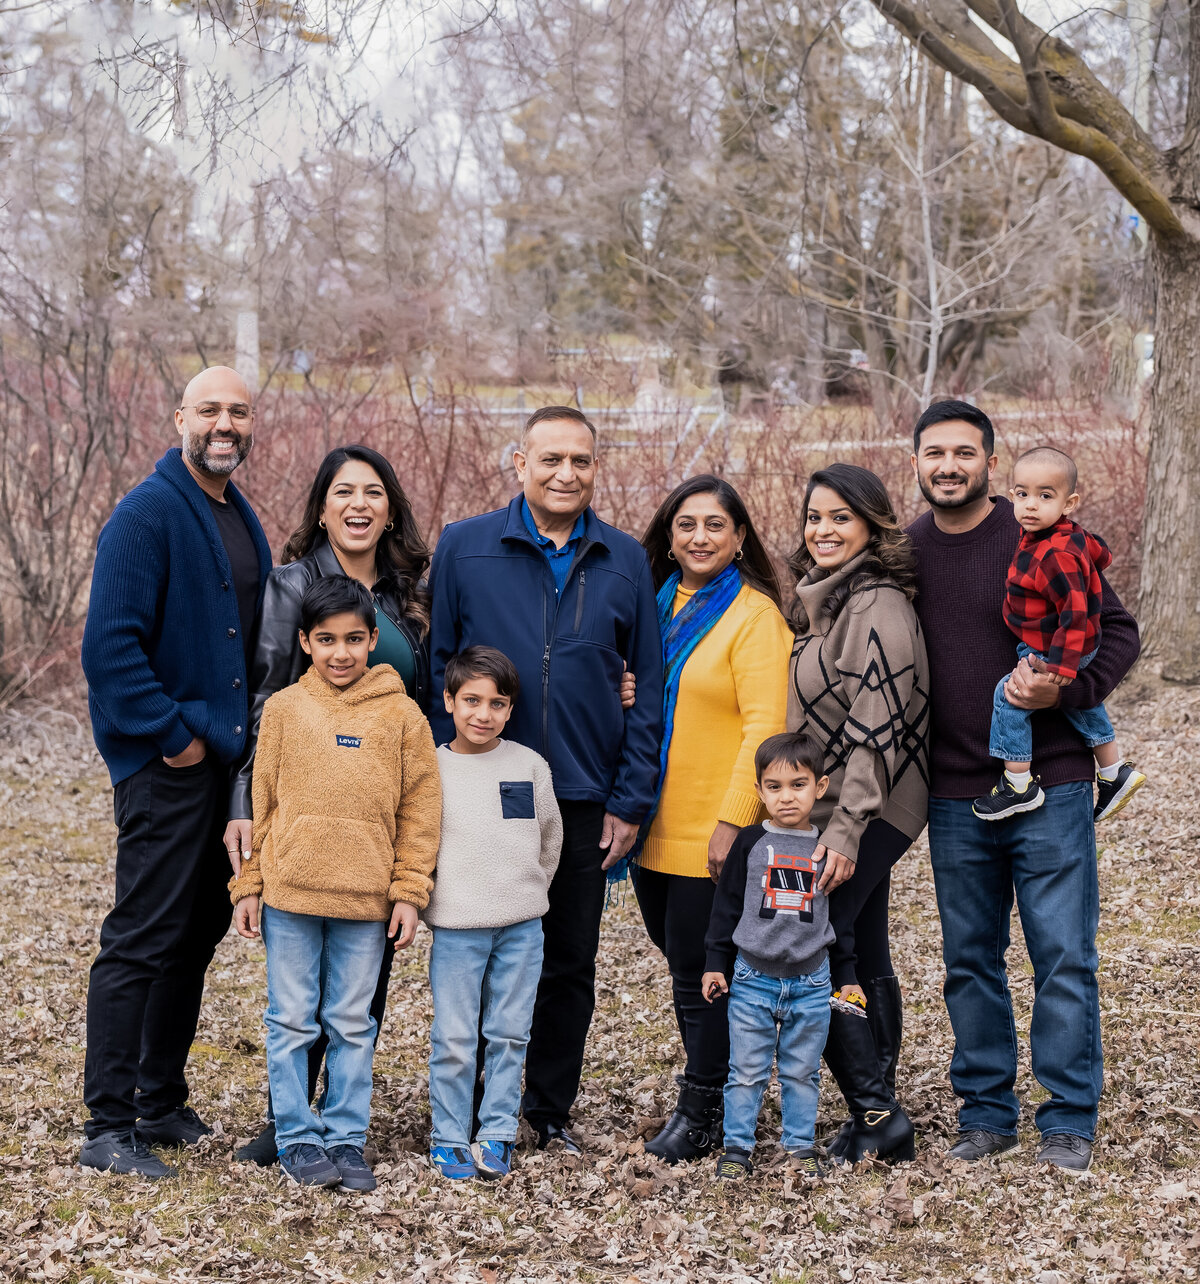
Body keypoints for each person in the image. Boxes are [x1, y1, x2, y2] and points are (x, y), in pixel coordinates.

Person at [907, 399, 1139, 1172]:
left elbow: (1119, 631)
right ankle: (986, 1112)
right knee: (970, 960)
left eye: (964, 453)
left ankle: (1069, 1116)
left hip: (1053, 782)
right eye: (934, 452)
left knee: (1063, 956)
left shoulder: (1037, 534)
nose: (949, 465)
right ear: (917, 462)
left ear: (989, 463)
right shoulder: (906, 552)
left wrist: (1068, 693)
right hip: (953, 793)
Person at [429, 404, 664, 1152]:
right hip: (484, 797)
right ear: (520, 463)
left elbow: (648, 689)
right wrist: (448, 773)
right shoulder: (466, 548)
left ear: (597, 468)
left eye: (582, 462)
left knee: (568, 959)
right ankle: (468, 1106)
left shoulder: (625, 559)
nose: (566, 474)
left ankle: (546, 1109)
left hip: (585, 793)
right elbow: (440, 670)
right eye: (551, 459)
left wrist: (630, 798)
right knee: (476, 949)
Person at [79, 365, 271, 1178]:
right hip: (168, 769)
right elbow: (110, 650)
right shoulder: (147, 514)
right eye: (209, 410)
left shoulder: (238, 513)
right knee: (141, 938)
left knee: (195, 933)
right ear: (179, 418)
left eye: (238, 411)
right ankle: (108, 1125)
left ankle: (159, 1100)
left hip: (219, 768)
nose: (224, 424)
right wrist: (175, 739)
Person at [226, 444, 432, 1166]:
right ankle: (292, 1123)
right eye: (343, 491)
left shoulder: (411, 592)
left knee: (355, 996)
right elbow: (264, 704)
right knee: (294, 1000)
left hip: (378, 818)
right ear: (322, 507)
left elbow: (437, 695)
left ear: (391, 509)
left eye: (374, 492)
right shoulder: (291, 587)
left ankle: (341, 1123)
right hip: (300, 820)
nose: (359, 504)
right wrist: (242, 804)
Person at [632, 475, 793, 1163]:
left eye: (714, 526)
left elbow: (766, 727)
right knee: (683, 969)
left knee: (706, 975)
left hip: (713, 831)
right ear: (668, 537)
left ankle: (702, 1111)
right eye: (686, 525)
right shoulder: (653, 605)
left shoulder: (756, 618)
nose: (699, 537)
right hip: (650, 825)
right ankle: (728, 1088)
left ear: (739, 538)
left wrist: (734, 820)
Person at [786, 462, 929, 1164]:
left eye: (841, 517)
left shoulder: (876, 606)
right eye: (815, 516)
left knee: (819, 941)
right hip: (841, 804)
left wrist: (844, 828)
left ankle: (877, 1111)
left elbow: (880, 727)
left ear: (873, 524)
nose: (823, 529)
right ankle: (879, 1111)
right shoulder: (830, 602)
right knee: (861, 943)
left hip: (871, 806)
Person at [425, 647, 563, 1182]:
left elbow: (548, 840)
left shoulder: (529, 766)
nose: (483, 714)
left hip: (522, 926)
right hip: (458, 927)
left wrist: (526, 893)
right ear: (449, 701)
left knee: (509, 1033)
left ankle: (497, 1133)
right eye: (472, 701)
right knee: (456, 1036)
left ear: (510, 709)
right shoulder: (432, 768)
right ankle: (450, 1136)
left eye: (497, 703)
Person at [972, 445, 1146, 822]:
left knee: (1010, 695)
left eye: (1044, 496)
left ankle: (1017, 784)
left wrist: (1065, 667)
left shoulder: (1055, 553)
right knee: (1083, 707)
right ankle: (1114, 772)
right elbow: (1100, 554)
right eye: (1022, 494)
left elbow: (1076, 612)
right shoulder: (1067, 537)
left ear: (1069, 503)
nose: (1030, 505)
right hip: (1058, 643)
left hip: (1058, 646)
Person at [702, 731, 841, 1180]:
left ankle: (799, 1148)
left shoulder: (828, 850)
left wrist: (850, 973)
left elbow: (842, 918)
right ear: (759, 790)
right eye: (774, 787)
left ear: (820, 786)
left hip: (812, 982)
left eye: (798, 785)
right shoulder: (749, 843)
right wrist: (714, 964)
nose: (786, 797)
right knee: (746, 1071)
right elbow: (726, 907)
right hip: (752, 978)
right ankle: (737, 1148)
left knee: (803, 1072)